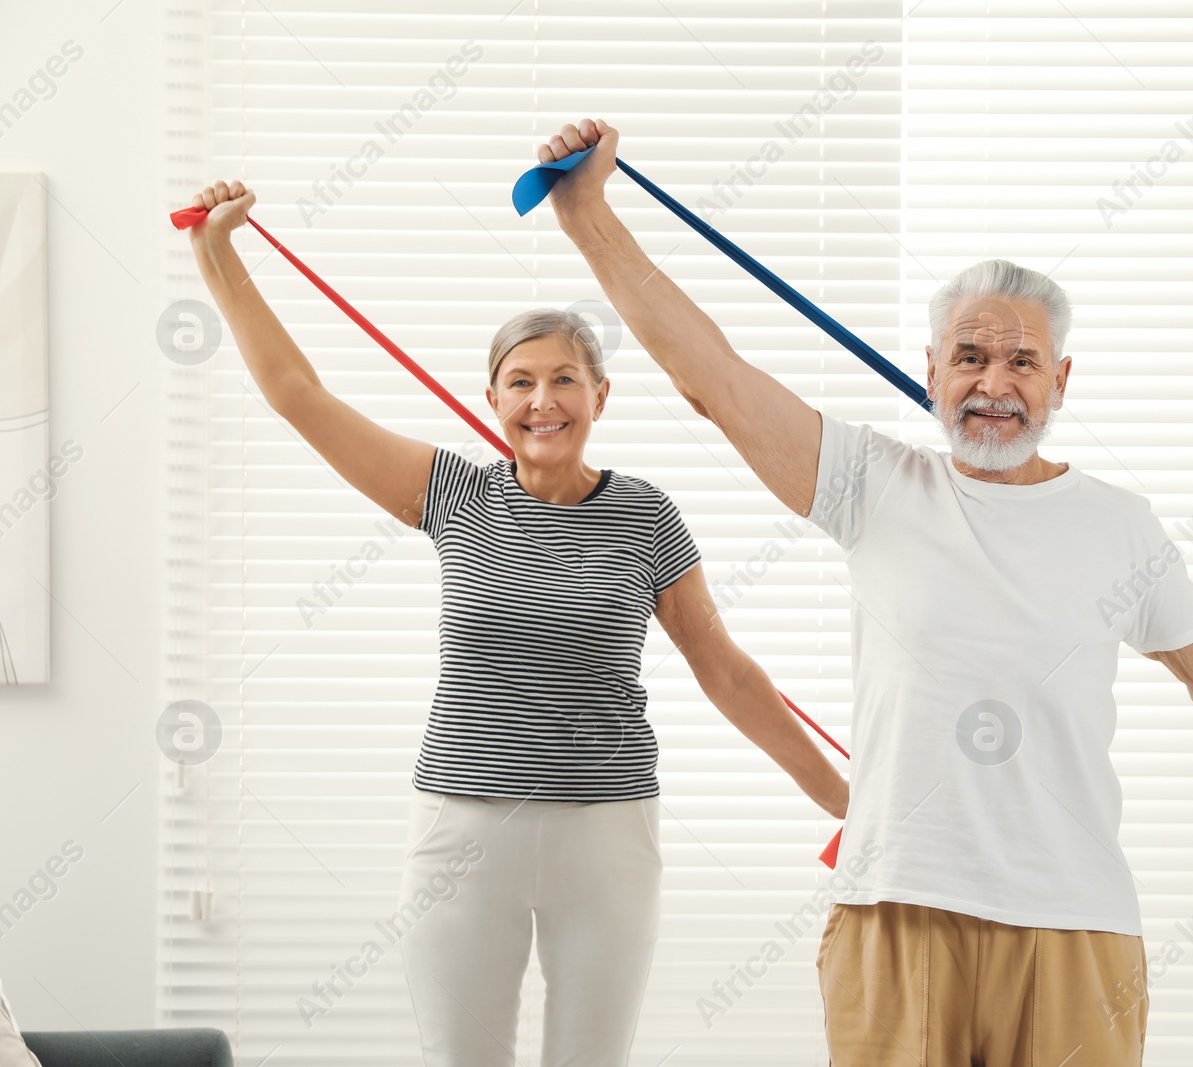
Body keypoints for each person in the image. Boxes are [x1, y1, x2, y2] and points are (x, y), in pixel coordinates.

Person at [534, 119, 1193, 1067]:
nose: (994, 383)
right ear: (932, 371)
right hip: (897, 911)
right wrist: (588, 214)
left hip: (1074, 920)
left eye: (1021, 361)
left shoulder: (1120, 525)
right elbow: (713, 380)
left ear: (1060, 380)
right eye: (969, 357)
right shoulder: (871, 483)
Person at [182, 179, 849, 1067]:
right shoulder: (454, 494)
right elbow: (298, 394)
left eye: (564, 379)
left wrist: (848, 801)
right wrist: (216, 250)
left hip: (607, 831)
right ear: (493, 398)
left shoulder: (646, 514)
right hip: (464, 827)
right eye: (521, 381)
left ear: (601, 396)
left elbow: (722, 668)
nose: (544, 401)